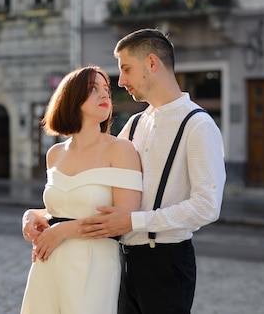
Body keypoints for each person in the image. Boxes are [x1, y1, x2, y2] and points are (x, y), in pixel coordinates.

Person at [78, 28, 227, 313]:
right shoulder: (134, 124)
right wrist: (42, 216)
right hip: (123, 261)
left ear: (151, 63)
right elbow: (97, 180)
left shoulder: (198, 125)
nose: (120, 82)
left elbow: (208, 206)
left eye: (126, 69)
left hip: (167, 264)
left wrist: (135, 222)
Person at [20, 65, 143, 314]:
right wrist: (33, 215)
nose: (105, 95)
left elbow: (124, 218)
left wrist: (63, 231)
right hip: (48, 261)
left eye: (106, 89)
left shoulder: (120, 149)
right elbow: (65, 207)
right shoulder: (54, 154)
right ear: (71, 98)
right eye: (93, 89)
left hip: (94, 263)